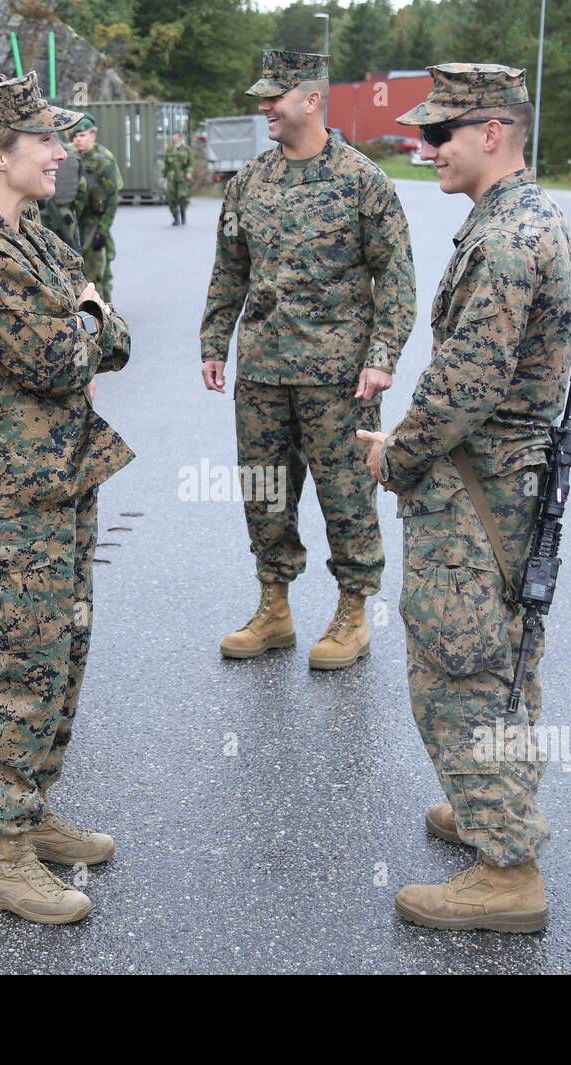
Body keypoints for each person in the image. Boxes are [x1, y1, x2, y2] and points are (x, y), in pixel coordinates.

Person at [357, 63, 571, 933]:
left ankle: (506, 867)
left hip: (477, 487)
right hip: (507, 481)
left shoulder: (503, 239)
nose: (427, 149)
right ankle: (495, 804)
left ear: (494, 132)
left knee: (460, 667)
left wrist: (398, 457)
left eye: (441, 133)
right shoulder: (528, 216)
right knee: (507, 654)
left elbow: (463, 384)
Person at [0, 73, 134, 924]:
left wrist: (87, 320)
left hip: (57, 472)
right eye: (44, 140)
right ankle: (2, 857)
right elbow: (61, 355)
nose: (62, 151)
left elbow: (101, 331)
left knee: (60, 652)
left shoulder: (26, 225)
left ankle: (33, 811)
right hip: (9, 491)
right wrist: (88, 319)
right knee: (16, 664)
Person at [200, 49, 415, 669]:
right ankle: (275, 606)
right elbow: (229, 270)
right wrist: (215, 343)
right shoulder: (250, 181)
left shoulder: (362, 181)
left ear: (312, 100)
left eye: (275, 96)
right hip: (263, 372)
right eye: (263, 96)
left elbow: (395, 276)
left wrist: (382, 356)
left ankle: (353, 612)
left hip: (340, 378)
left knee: (346, 494)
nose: (264, 106)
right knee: (265, 492)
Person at [71, 112, 121, 301]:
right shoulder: (70, 157)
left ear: (93, 135)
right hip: (76, 221)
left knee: (99, 270)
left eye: (82, 135)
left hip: (95, 221)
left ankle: (106, 308)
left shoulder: (103, 161)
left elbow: (112, 199)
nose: (78, 140)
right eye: (75, 136)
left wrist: (103, 230)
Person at [162, 131, 193, 225]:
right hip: (171, 178)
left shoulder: (186, 149)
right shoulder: (169, 149)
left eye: (175, 136)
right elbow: (166, 165)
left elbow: (190, 164)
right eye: (173, 136)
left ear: (180, 137)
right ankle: (176, 217)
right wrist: (163, 176)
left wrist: (189, 172)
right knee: (170, 198)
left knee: (182, 197)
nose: (173, 138)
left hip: (182, 177)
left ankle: (183, 213)